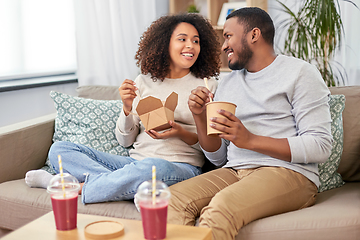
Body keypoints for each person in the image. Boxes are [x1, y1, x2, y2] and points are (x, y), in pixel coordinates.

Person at [167, 7, 333, 240]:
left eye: (228, 36)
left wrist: (250, 140)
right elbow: (219, 158)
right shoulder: (227, 83)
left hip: (288, 173)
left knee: (220, 209)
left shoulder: (300, 73)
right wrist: (199, 116)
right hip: (234, 170)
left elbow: (321, 146)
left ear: (254, 35)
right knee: (170, 200)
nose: (223, 46)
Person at [25, 13, 220, 204]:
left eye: (196, 41)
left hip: (180, 167)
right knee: (60, 149)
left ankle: (73, 186)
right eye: (182, 39)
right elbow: (125, 141)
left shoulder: (207, 85)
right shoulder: (143, 81)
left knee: (152, 168)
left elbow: (212, 149)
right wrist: (127, 109)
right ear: (164, 44)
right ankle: (129, 185)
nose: (190, 46)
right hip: (133, 163)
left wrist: (181, 132)